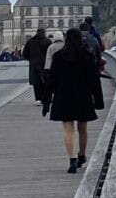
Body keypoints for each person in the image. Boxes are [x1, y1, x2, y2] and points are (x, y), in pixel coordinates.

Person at [44, 28, 104, 174]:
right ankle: (81, 155)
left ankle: (71, 160)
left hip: (63, 96)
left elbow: (51, 80)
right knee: (82, 129)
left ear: (66, 39)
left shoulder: (58, 57)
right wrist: (98, 100)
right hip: (83, 96)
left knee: (68, 129)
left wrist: (46, 101)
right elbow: (94, 81)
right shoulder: (87, 56)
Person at [22, 28, 51, 103]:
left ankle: (38, 98)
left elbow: (25, 54)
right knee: (45, 81)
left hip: (34, 64)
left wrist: (31, 59)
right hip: (45, 63)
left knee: (36, 82)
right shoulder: (47, 41)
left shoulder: (30, 41)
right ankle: (45, 98)